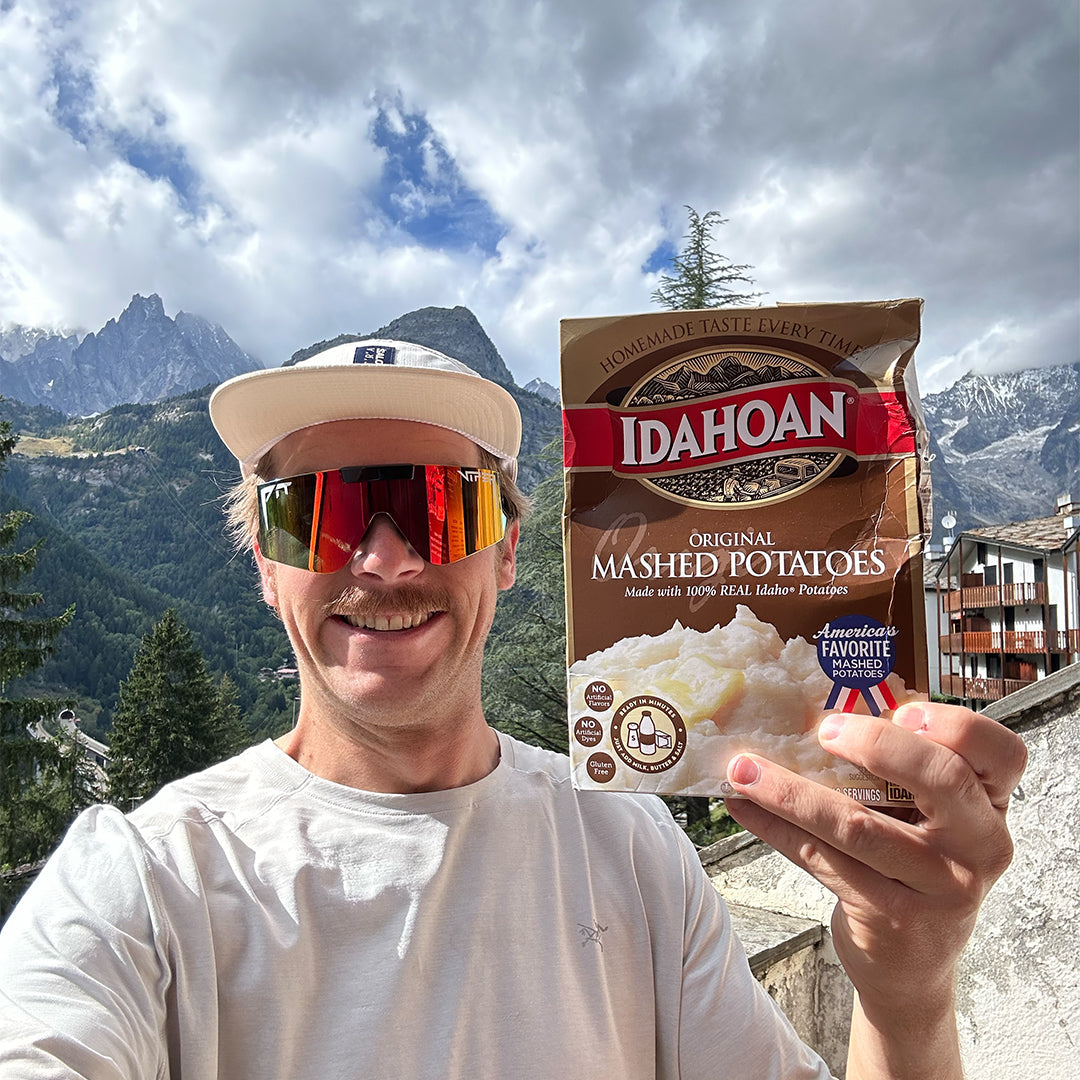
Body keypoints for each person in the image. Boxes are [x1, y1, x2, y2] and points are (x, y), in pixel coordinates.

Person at [0, 339, 1026, 1079]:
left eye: (438, 504)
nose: (384, 558)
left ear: (507, 550)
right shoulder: (135, 883)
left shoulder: (633, 849)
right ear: (265, 566)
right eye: (319, 514)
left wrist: (907, 992)